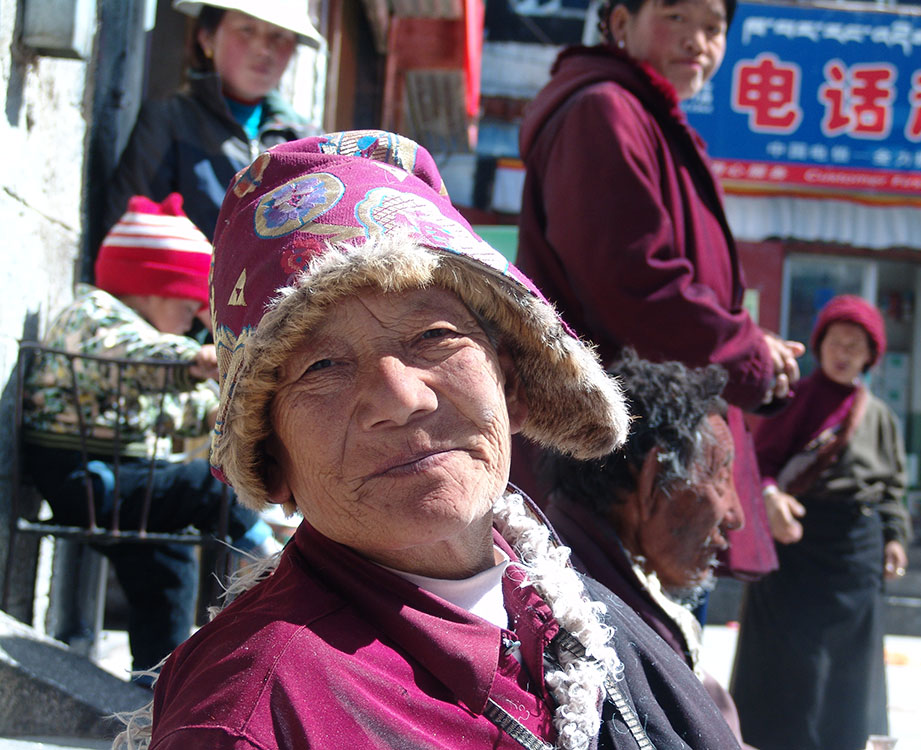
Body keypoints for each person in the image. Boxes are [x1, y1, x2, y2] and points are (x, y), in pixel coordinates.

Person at [117, 130, 744, 749]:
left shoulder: (573, 614)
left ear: (513, 387)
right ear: (271, 457)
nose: (401, 397)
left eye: (435, 336)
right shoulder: (252, 714)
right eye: (322, 367)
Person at [515, 0, 804, 580]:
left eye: (714, 27)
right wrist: (746, 355)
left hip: (652, 459)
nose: (698, 40)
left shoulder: (651, 120)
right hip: (611, 468)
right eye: (676, 18)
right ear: (620, 23)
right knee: (605, 651)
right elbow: (633, 285)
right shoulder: (603, 111)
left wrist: (751, 344)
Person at [24, 193, 278, 678]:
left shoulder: (146, 343)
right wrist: (195, 358)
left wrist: (237, 413)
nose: (193, 319)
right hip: (85, 476)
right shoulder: (95, 315)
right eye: (187, 304)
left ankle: (154, 684)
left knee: (168, 561)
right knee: (206, 486)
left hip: (119, 480)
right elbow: (134, 353)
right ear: (151, 287)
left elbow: (181, 407)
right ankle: (260, 557)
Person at [729, 295, 912, 750]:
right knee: (792, 661)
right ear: (819, 345)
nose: (845, 352)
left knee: (849, 667)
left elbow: (891, 489)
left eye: (856, 345)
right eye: (837, 341)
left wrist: (895, 539)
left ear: (871, 356)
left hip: (856, 551)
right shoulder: (795, 400)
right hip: (798, 544)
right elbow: (758, 463)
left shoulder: (880, 417)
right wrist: (770, 498)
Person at [542, 350, 752, 745]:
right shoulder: (573, 622)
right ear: (653, 479)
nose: (735, 515)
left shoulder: (594, 572)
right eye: (720, 476)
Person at [105, 0, 322, 241]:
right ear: (207, 37)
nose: (263, 49)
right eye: (246, 30)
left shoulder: (307, 141)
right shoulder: (170, 121)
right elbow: (129, 234)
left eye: (279, 36)